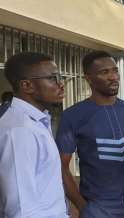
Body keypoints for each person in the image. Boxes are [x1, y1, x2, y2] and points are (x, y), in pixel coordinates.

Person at [55, 51, 124, 218]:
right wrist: (83, 206)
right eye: (104, 72)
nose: (113, 77)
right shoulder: (73, 116)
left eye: (115, 71)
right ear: (88, 78)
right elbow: (61, 167)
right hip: (98, 208)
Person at [0, 52, 67, 218]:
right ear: (27, 86)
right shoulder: (20, 130)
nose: (61, 84)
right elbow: (22, 208)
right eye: (52, 78)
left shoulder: (36, 121)